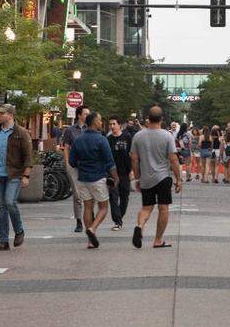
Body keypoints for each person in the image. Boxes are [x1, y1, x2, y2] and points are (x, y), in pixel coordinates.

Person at [0, 105, 33, 251]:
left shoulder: (21, 133)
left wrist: (26, 175)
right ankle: (3, 241)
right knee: (2, 207)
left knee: (10, 202)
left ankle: (19, 230)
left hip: (14, 174)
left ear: (10, 115)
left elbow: (28, 157)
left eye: (1, 113)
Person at [130, 106, 182, 249]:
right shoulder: (167, 136)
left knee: (146, 207)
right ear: (161, 119)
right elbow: (173, 159)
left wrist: (137, 177)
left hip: (146, 177)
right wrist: (179, 179)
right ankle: (158, 240)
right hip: (163, 177)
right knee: (163, 208)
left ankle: (139, 226)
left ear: (148, 118)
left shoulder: (138, 136)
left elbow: (134, 159)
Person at [69, 112, 119, 248]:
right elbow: (109, 161)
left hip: (83, 178)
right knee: (103, 207)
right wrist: (115, 177)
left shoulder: (79, 140)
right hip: (98, 177)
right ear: (94, 122)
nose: (101, 122)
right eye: (99, 120)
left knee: (87, 207)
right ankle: (93, 229)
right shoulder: (102, 140)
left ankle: (90, 241)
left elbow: (72, 162)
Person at [61, 106, 89, 233]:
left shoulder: (91, 129)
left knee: (89, 193)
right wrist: (67, 163)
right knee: (77, 195)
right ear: (79, 115)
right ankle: (79, 221)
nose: (88, 115)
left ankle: (89, 217)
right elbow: (66, 147)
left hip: (88, 166)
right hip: (74, 165)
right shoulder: (70, 131)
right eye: (86, 113)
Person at [107, 116, 134, 231]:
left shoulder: (127, 137)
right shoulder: (108, 139)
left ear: (119, 125)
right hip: (112, 173)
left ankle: (119, 217)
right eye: (110, 124)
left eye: (114, 124)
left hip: (125, 172)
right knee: (113, 197)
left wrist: (133, 170)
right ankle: (117, 221)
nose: (112, 126)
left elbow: (133, 154)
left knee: (124, 197)